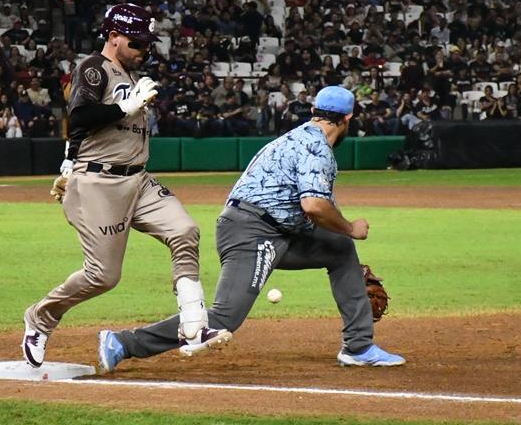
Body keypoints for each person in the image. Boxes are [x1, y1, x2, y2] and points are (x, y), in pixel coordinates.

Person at [96, 85, 404, 372]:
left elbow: (305, 210)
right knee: (222, 318)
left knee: (339, 249)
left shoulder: (296, 137)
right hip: (252, 232)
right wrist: (351, 227)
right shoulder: (317, 149)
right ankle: (123, 343)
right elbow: (314, 206)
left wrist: (343, 240)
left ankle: (359, 346)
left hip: (275, 228)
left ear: (313, 110)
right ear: (349, 118)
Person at [22, 3, 224, 368]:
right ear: (114, 37)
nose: (144, 50)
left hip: (138, 180)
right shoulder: (94, 68)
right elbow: (80, 116)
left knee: (185, 230)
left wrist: (68, 159)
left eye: (147, 44)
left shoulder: (128, 76)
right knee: (103, 276)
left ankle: (194, 326)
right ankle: (40, 318)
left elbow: (84, 133)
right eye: (137, 42)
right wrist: (125, 108)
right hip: (100, 183)